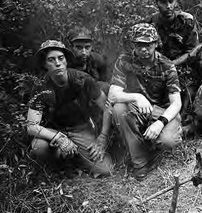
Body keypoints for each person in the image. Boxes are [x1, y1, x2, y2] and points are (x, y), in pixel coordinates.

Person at [27, 40, 113, 177]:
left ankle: (76, 158)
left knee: (105, 170)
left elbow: (107, 108)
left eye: (61, 58)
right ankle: (58, 165)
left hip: (81, 129)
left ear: (66, 61)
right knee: (39, 147)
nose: (57, 63)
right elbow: (31, 126)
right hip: (54, 130)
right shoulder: (41, 88)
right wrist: (58, 138)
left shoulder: (83, 79)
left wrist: (102, 138)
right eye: (51, 60)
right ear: (44, 64)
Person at [108, 23, 182, 181]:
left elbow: (176, 103)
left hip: (162, 111)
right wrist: (137, 97)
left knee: (167, 141)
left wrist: (160, 123)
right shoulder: (124, 60)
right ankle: (140, 161)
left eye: (148, 45)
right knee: (119, 109)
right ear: (133, 44)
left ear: (155, 44)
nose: (143, 49)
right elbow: (113, 95)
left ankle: (156, 143)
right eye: (139, 45)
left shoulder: (166, 65)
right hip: (138, 109)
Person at [147, 0, 199, 117]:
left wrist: (173, 65)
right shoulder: (151, 23)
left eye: (171, 1)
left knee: (189, 87)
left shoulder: (186, 20)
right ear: (157, 3)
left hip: (183, 65)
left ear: (176, 1)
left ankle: (186, 115)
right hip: (159, 66)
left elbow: (192, 51)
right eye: (163, 2)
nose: (168, 6)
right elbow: (148, 50)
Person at [66, 27, 109, 93]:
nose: (84, 52)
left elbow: (104, 82)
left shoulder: (99, 60)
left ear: (91, 47)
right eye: (79, 47)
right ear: (70, 47)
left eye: (87, 47)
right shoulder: (64, 62)